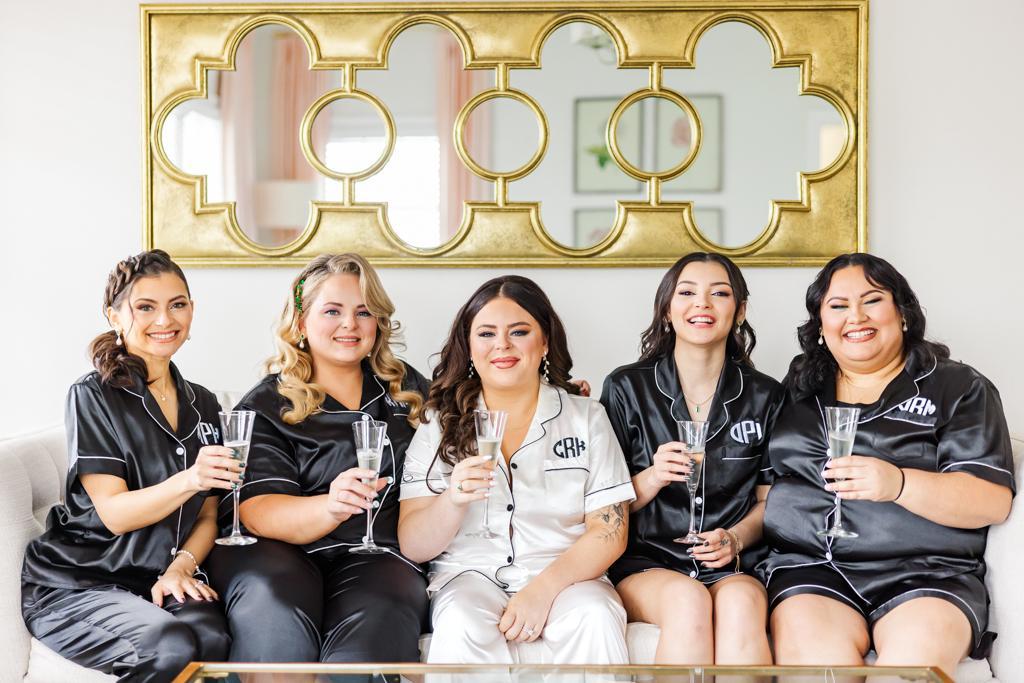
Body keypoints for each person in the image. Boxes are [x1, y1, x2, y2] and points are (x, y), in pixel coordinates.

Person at [760, 253, 1015, 675]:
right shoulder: (801, 387)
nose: (855, 317)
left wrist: (898, 483)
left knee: (908, 671)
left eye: (872, 300)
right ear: (820, 325)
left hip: (929, 575)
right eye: (838, 306)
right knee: (818, 672)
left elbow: (991, 500)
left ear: (903, 313)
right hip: (812, 570)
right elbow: (767, 487)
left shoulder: (959, 387)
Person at [21, 250, 235, 682]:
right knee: (169, 645)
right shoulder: (92, 395)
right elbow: (115, 514)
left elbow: (208, 514)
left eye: (177, 304)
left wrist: (180, 568)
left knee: (213, 641)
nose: (165, 320)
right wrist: (190, 479)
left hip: (157, 578)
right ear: (114, 316)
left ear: (192, 310)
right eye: (146, 307)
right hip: (81, 582)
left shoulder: (204, 403)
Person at [398, 275, 635, 664]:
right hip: (469, 576)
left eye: (519, 332)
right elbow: (413, 544)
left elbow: (609, 532)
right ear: (469, 347)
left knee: (595, 616)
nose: (502, 345)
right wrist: (452, 500)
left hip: (568, 577)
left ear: (544, 342)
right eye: (486, 334)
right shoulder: (438, 422)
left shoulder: (587, 417)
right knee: (460, 622)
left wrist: (542, 590)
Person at [207, 253, 429, 664]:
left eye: (364, 312)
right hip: (279, 552)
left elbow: (470, 422)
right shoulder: (266, 404)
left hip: (377, 553)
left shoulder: (408, 390)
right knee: (276, 612)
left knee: (379, 615)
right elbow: (256, 509)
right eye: (332, 311)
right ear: (301, 321)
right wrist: (330, 506)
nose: (350, 324)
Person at [601, 252, 782, 665]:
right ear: (667, 310)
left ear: (739, 311)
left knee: (741, 604)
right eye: (686, 293)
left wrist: (735, 538)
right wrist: (652, 477)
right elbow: (598, 506)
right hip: (647, 563)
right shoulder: (627, 388)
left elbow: (769, 501)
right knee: (687, 599)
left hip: (735, 564)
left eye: (719, 293)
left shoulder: (766, 395)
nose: (702, 303)